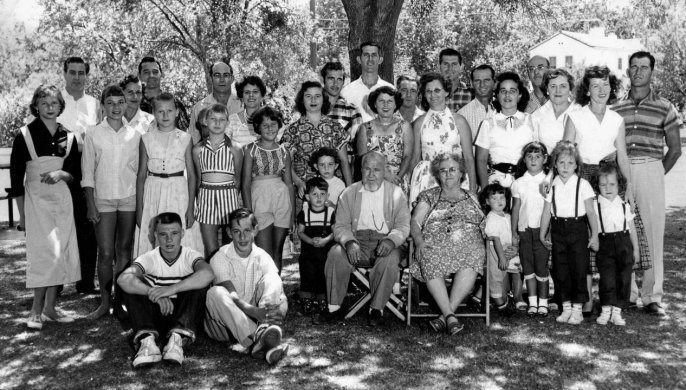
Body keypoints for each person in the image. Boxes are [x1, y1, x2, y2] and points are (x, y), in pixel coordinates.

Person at [563, 66, 650, 315]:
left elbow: (622, 155)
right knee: (585, 237)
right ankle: (586, 298)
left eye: (605, 85)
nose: (601, 90)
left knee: (614, 234)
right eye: (595, 86)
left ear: (611, 88)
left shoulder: (616, 119)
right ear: (587, 90)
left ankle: (615, 297)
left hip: (609, 179)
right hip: (583, 178)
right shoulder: (576, 116)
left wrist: (629, 187)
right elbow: (567, 152)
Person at [611, 51, 682, 316]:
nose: (638, 71)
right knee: (622, 232)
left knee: (652, 233)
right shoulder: (616, 107)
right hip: (623, 171)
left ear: (652, 72)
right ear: (628, 72)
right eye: (634, 67)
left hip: (651, 169)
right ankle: (627, 293)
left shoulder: (665, 106)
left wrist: (655, 173)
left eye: (644, 67)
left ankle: (652, 295)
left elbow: (675, 149)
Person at [10, 85, 80, 329]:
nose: (50, 108)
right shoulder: (24, 135)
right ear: (36, 106)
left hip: (61, 201)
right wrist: (22, 215)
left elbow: (75, 175)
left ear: (61, 106)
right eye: (44, 103)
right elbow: (16, 180)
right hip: (35, 201)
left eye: (54, 103)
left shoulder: (68, 136)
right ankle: (35, 310)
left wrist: (62, 173)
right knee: (43, 254)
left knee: (59, 253)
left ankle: (50, 308)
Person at [314, 152, 410, 327]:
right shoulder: (349, 193)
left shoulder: (396, 193)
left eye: (377, 170)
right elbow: (340, 225)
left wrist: (391, 240)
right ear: (360, 170)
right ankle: (334, 307)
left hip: (386, 241)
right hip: (357, 241)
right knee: (335, 253)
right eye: (367, 169)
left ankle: (377, 308)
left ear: (384, 171)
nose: (371, 175)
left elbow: (403, 226)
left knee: (389, 259)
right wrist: (349, 241)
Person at [117, 212, 213, 368]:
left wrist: (170, 289)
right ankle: (147, 341)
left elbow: (208, 274)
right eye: (163, 234)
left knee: (198, 283)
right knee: (133, 284)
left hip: (182, 315)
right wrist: (154, 294)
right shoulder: (149, 257)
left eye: (174, 233)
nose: (169, 240)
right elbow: (123, 279)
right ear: (155, 235)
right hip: (155, 316)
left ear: (182, 233)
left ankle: (177, 340)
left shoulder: (190, 255)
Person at [82, 85, 142, 320]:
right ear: (103, 106)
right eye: (111, 103)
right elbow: (87, 172)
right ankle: (104, 302)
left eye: (120, 102)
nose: (116, 107)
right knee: (106, 253)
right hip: (103, 200)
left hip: (128, 199)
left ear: (126, 104)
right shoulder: (93, 134)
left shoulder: (135, 135)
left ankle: (121, 302)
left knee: (124, 251)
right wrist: (90, 204)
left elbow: (139, 173)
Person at [409, 153, 485, 334]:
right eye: (443, 171)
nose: (448, 174)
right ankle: (450, 317)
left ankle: (445, 317)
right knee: (428, 253)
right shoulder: (429, 196)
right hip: (434, 242)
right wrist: (419, 242)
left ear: (461, 173)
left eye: (453, 170)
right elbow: (415, 222)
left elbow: (484, 223)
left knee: (474, 252)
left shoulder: (472, 197)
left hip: (467, 243)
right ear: (437, 174)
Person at [204, 208, 290, 365]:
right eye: (236, 231)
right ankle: (260, 337)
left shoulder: (263, 256)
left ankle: (263, 335)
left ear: (255, 231)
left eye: (247, 230)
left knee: (272, 277)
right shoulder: (219, 257)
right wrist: (255, 311)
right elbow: (232, 296)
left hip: (256, 318)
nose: (242, 237)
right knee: (215, 292)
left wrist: (277, 312)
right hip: (223, 327)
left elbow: (280, 293)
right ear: (229, 232)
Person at [134, 92, 203, 257]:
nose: (165, 115)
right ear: (153, 113)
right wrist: (139, 209)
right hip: (153, 193)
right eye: (160, 111)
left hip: (178, 193)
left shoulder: (185, 138)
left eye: (169, 111)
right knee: (154, 236)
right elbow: (141, 175)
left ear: (177, 112)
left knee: (180, 236)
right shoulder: (146, 138)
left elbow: (192, 175)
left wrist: (190, 208)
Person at [539, 141, 598, 325]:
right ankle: (566, 308)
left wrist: (595, 234)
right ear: (555, 164)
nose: (565, 167)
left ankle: (578, 309)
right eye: (561, 162)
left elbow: (591, 212)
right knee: (561, 269)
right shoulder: (552, 185)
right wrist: (543, 234)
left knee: (579, 269)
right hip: (558, 230)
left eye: (570, 163)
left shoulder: (583, 184)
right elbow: (546, 211)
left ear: (576, 165)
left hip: (578, 229)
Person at [57, 56, 99, 294]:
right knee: (62, 225)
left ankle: (85, 281)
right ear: (64, 74)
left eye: (81, 73)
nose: (76, 77)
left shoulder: (94, 103)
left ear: (86, 75)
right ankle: (59, 280)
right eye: (72, 72)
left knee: (86, 225)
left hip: (86, 167)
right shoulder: (55, 100)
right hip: (61, 167)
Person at [280, 81, 353, 204]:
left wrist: (351, 190)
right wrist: (298, 182)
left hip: (334, 193)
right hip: (306, 193)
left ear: (323, 99)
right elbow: (286, 165)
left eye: (317, 96)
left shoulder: (335, 127)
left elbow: (344, 161)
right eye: (308, 96)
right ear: (302, 100)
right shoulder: (292, 130)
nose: (313, 100)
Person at [409, 73, 476, 205]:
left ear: (446, 92)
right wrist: (411, 187)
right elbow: (415, 158)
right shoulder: (419, 123)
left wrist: (473, 188)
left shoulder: (460, 121)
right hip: (426, 178)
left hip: (455, 177)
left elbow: (468, 157)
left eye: (437, 90)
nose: (433, 95)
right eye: (428, 91)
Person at [242, 106, 294, 272]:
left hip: (281, 201)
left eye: (273, 124)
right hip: (260, 201)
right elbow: (245, 183)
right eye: (265, 125)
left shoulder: (284, 151)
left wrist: (292, 215)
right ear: (258, 128)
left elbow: (289, 184)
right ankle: (264, 292)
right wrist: (249, 214)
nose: (270, 128)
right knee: (264, 253)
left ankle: (276, 293)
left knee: (278, 251)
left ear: (279, 125)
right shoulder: (251, 149)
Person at [192, 104, 243, 259]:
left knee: (230, 247)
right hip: (206, 198)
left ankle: (230, 280)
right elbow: (198, 179)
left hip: (228, 198)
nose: (217, 123)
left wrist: (232, 198)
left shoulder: (235, 148)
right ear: (206, 121)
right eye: (213, 119)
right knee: (211, 248)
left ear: (227, 122)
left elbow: (238, 178)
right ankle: (213, 282)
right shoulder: (197, 149)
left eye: (222, 120)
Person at [593, 164, 639, 326]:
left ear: (619, 185)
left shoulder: (624, 205)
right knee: (607, 278)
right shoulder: (595, 205)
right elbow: (592, 227)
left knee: (623, 278)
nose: (608, 188)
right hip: (605, 244)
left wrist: (636, 250)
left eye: (612, 184)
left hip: (624, 244)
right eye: (603, 185)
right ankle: (606, 309)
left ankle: (617, 311)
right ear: (597, 186)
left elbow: (631, 228)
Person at [475, 71, 534, 189]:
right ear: (497, 95)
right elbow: (481, 160)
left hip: (526, 182)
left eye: (512, 91)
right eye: (503, 91)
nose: (507, 95)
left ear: (520, 95)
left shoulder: (531, 121)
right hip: (496, 183)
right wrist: (486, 189)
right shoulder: (488, 124)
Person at [511, 141, 551, 316]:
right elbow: (515, 208)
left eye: (538, 157)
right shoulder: (518, 183)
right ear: (524, 160)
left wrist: (549, 231)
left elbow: (551, 209)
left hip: (542, 231)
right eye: (529, 157)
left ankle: (543, 302)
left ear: (545, 159)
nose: (533, 160)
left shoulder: (549, 181)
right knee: (528, 266)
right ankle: (532, 302)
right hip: (525, 230)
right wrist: (514, 231)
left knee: (541, 266)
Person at [356, 86, 413, 194]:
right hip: (372, 179)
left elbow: (407, 156)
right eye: (381, 101)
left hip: (397, 180)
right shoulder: (365, 128)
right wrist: (386, 175)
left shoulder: (405, 126)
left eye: (390, 101)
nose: (385, 105)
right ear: (375, 104)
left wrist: (396, 178)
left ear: (396, 104)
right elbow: (362, 159)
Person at [481, 183, 524, 312]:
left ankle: (518, 297)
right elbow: (496, 240)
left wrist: (516, 247)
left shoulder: (508, 216)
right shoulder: (491, 218)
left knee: (516, 269)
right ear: (487, 201)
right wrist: (501, 258)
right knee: (497, 275)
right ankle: (501, 303)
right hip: (497, 252)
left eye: (502, 197)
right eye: (494, 199)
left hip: (510, 249)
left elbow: (514, 233)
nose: (499, 201)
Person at [297, 177, 336, 315]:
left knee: (323, 275)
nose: (319, 198)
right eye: (314, 194)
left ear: (328, 195)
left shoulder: (331, 213)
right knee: (307, 274)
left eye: (322, 194)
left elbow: (335, 231)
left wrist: (326, 240)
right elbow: (300, 232)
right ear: (307, 197)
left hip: (325, 252)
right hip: (308, 252)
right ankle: (306, 300)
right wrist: (309, 240)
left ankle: (322, 300)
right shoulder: (304, 213)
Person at [188, 60, 243, 144]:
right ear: (210, 78)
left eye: (226, 75)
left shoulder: (242, 105)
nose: (222, 80)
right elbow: (193, 141)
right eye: (217, 75)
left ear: (232, 79)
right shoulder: (199, 107)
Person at [340, 42, 394, 123]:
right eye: (366, 55)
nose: (370, 59)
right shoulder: (346, 92)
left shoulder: (391, 90)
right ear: (359, 59)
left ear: (380, 60)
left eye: (374, 55)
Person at [321, 62, 363, 163]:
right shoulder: (313, 107)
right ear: (323, 80)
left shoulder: (352, 110)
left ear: (343, 82)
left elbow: (357, 141)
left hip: (344, 171)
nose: (335, 84)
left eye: (339, 79)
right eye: (331, 78)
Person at [531, 68, 580, 153]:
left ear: (570, 89)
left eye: (563, 86)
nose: (558, 91)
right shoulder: (537, 115)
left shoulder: (579, 111)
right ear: (547, 90)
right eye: (553, 86)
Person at [138, 56, 190, 131]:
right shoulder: (133, 105)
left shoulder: (175, 104)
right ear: (139, 76)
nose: (151, 75)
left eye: (155, 72)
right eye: (146, 72)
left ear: (161, 74)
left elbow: (185, 135)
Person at [457, 64, 496, 141]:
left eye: (486, 80)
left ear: (494, 83)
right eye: (477, 81)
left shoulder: (503, 110)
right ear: (471, 84)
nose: (482, 85)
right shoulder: (462, 115)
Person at [226, 75, 267, 146]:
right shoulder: (231, 121)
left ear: (262, 96)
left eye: (255, 92)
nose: (251, 95)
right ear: (241, 97)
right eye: (247, 92)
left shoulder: (272, 120)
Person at [438, 48, 473, 112]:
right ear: (439, 66)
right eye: (446, 64)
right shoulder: (430, 92)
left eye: (454, 64)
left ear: (461, 67)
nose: (450, 68)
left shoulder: (472, 93)